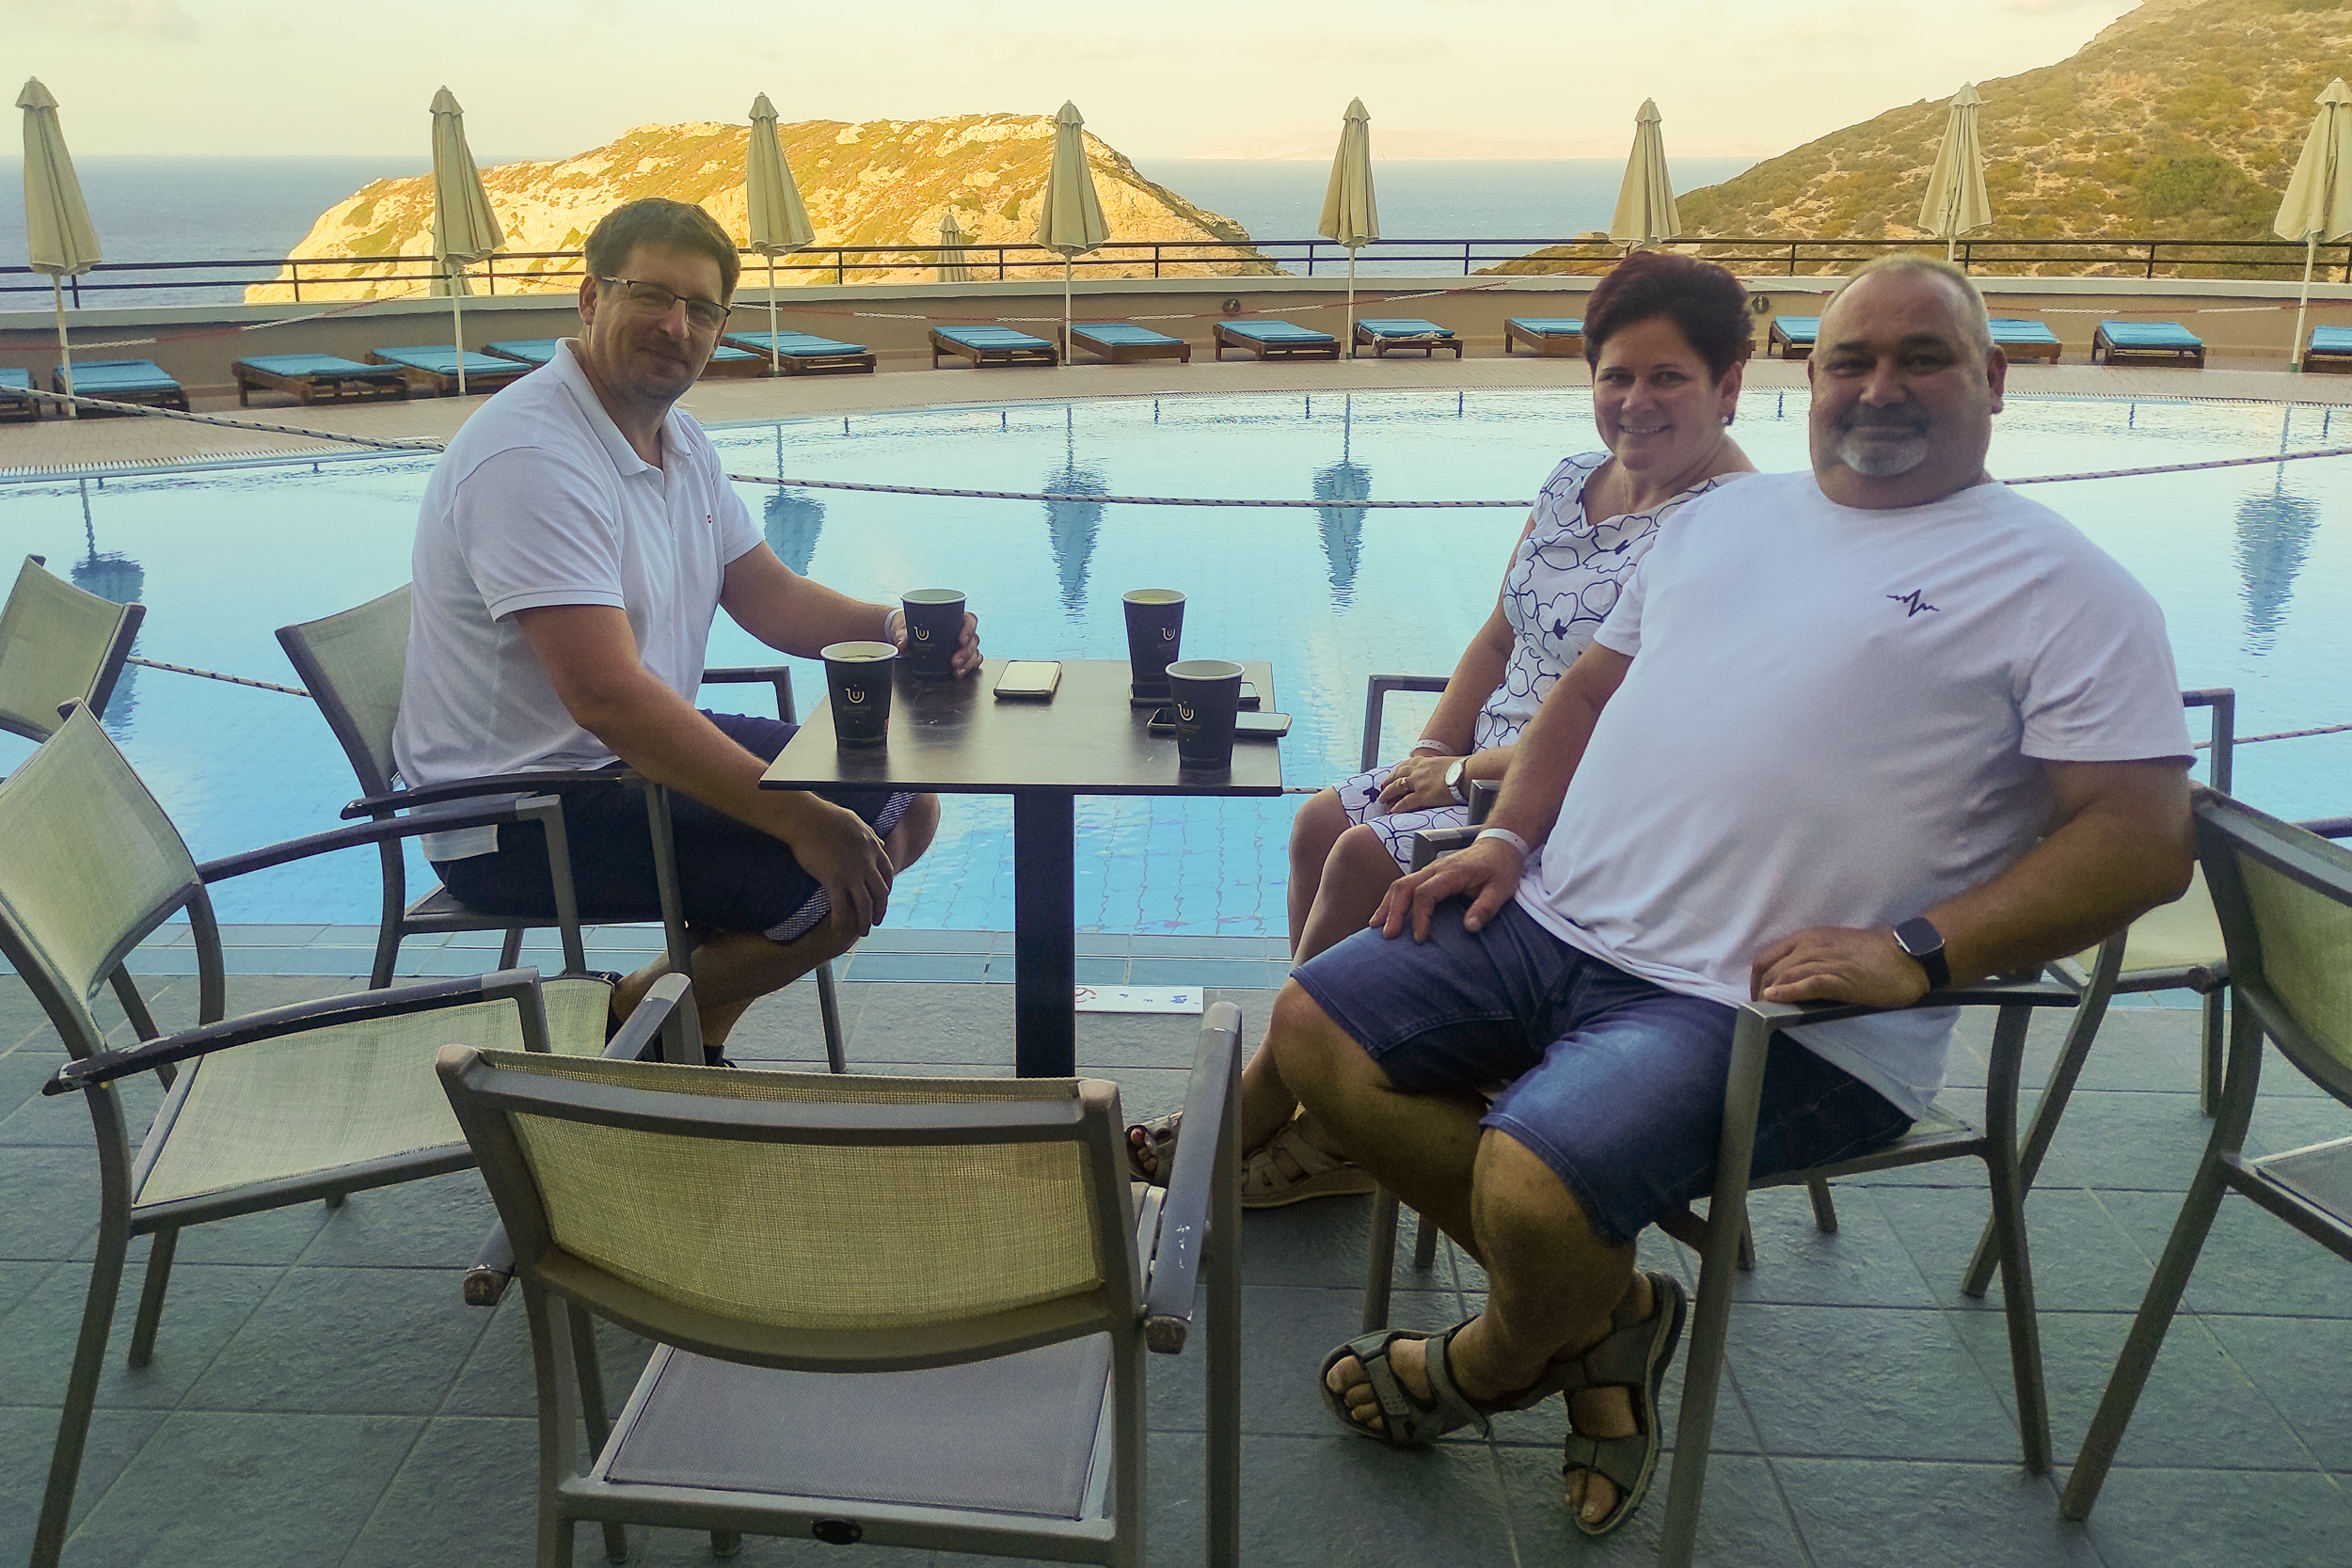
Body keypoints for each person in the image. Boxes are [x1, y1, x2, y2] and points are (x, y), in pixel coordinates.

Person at [1266, 254, 2197, 1536]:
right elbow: (1584, 691)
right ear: (1810, 381)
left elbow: (2142, 840)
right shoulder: (1717, 521)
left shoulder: (2064, 587)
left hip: (1765, 1008)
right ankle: (1615, 1314)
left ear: (1992, 378)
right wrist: (1509, 840)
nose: (1879, 386)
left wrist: (1919, 951)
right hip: (1552, 923)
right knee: (1313, 1023)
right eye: (1849, 359)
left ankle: (1485, 1361)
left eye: (1921, 357)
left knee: (1534, 1178)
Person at [1130, 250, 1758, 1206]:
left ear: (1729, 385)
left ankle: (1274, 1098)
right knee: (1318, 820)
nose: (1635, 401)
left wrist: (1465, 773)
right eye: (1616, 375)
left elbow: (1641, 722)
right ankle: (1335, 1109)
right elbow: (1499, 633)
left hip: (1584, 804)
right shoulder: (1573, 480)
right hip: (1475, 768)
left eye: (1667, 376)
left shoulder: (1732, 524)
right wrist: (1433, 750)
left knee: (1361, 856)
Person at [394, 198, 978, 1052]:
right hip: (524, 813)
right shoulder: (532, 456)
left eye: (702, 309)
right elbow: (605, 697)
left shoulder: (679, 441)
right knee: (839, 874)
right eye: (651, 296)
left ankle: (667, 1026)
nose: (677, 326)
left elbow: (767, 594)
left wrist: (893, 627)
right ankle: (644, 1031)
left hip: (625, 761)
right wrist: (802, 820)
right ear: (590, 298)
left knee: (907, 809)